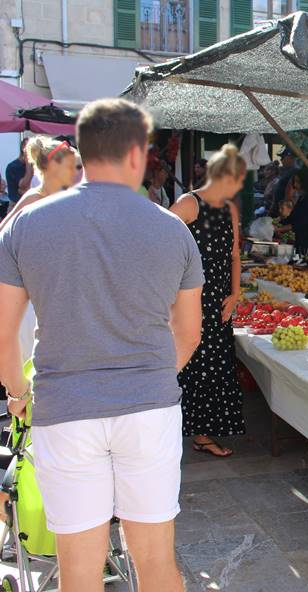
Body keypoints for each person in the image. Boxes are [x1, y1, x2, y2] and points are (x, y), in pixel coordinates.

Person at [0, 98, 202, 592]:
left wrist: (17, 392)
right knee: (155, 561)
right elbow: (190, 333)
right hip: (149, 409)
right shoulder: (173, 229)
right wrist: (154, 373)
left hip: (63, 409)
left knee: (80, 568)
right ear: (137, 154)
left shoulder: (27, 224)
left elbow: (3, 332)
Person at [171, 144, 246, 457]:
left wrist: (235, 293)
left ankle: (202, 433)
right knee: (189, 365)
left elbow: (235, 255)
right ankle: (179, 433)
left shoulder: (228, 208)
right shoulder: (189, 203)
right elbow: (158, 239)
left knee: (213, 367)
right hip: (190, 297)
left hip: (218, 302)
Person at [0, 136, 77, 232]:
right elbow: (3, 229)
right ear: (53, 167)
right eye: (69, 166)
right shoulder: (34, 197)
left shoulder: (64, 195)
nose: (74, 171)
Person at [277, 166, 308, 262]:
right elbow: (293, 217)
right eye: (294, 181)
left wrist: (279, 228)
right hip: (304, 241)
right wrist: (279, 221)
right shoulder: (303, 198)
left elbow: (302, 222)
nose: (295, 184)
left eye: (298, 182)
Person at [5, 139, 32, 208]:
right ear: (24, 148)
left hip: (29, 204)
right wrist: (28, 161)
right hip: (16, 206)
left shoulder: (33, 165)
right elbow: (24, 186)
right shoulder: (13, 167)